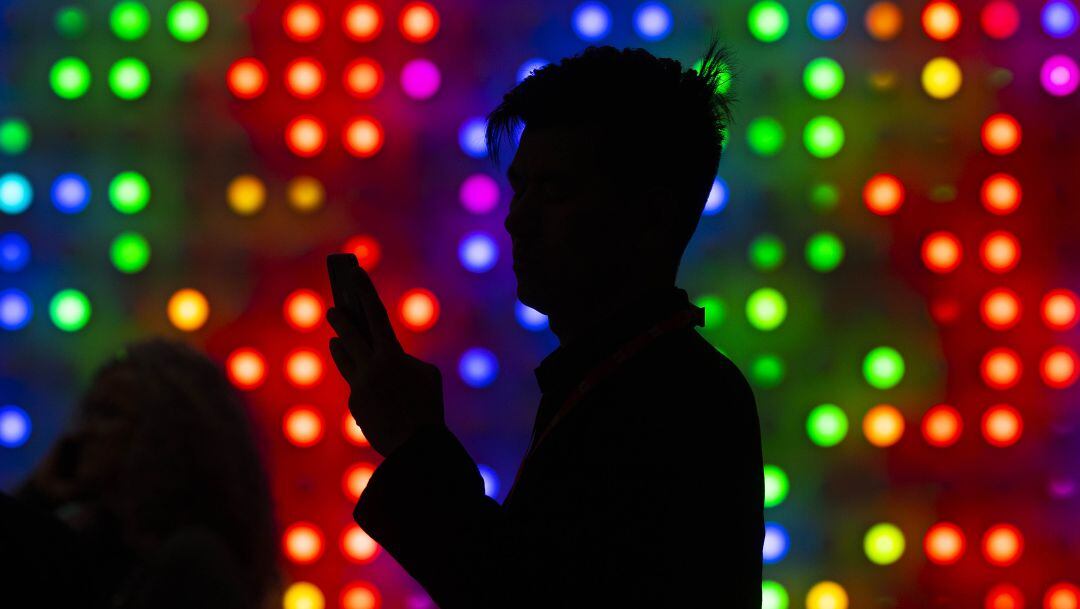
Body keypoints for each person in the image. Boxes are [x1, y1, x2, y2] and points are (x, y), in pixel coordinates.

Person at [326, 40, 763, 607]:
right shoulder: (639, 382)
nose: (516, 217)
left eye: (555, 190)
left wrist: (414, 444)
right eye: (520, 187)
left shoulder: (677, 403)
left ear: (651, 213)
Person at [0, 338, 281, 609]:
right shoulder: (101, 547)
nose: (82, 432)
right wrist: (37, 498)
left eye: (107, 414)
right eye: (87, 413)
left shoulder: (191, 564)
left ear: (168, 435)